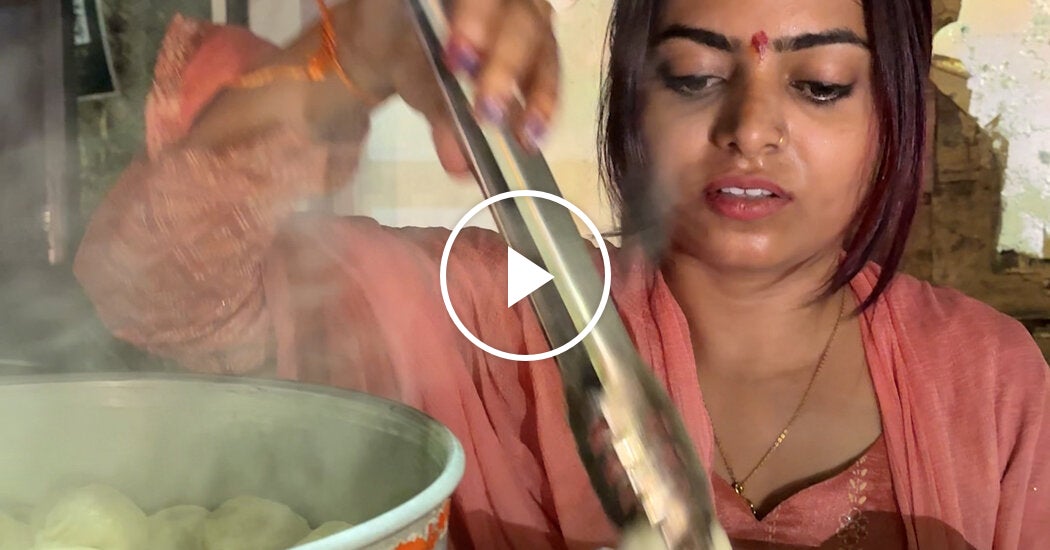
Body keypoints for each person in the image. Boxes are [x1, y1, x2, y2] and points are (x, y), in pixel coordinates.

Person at [73, 0, 1049, 548]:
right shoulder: (497, 316)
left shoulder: (991, 384)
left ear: (893, 113)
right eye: (695, 76)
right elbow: (156, 289)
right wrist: (347, 63)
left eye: (820, 85)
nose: (751, 128)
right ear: (631, 99)